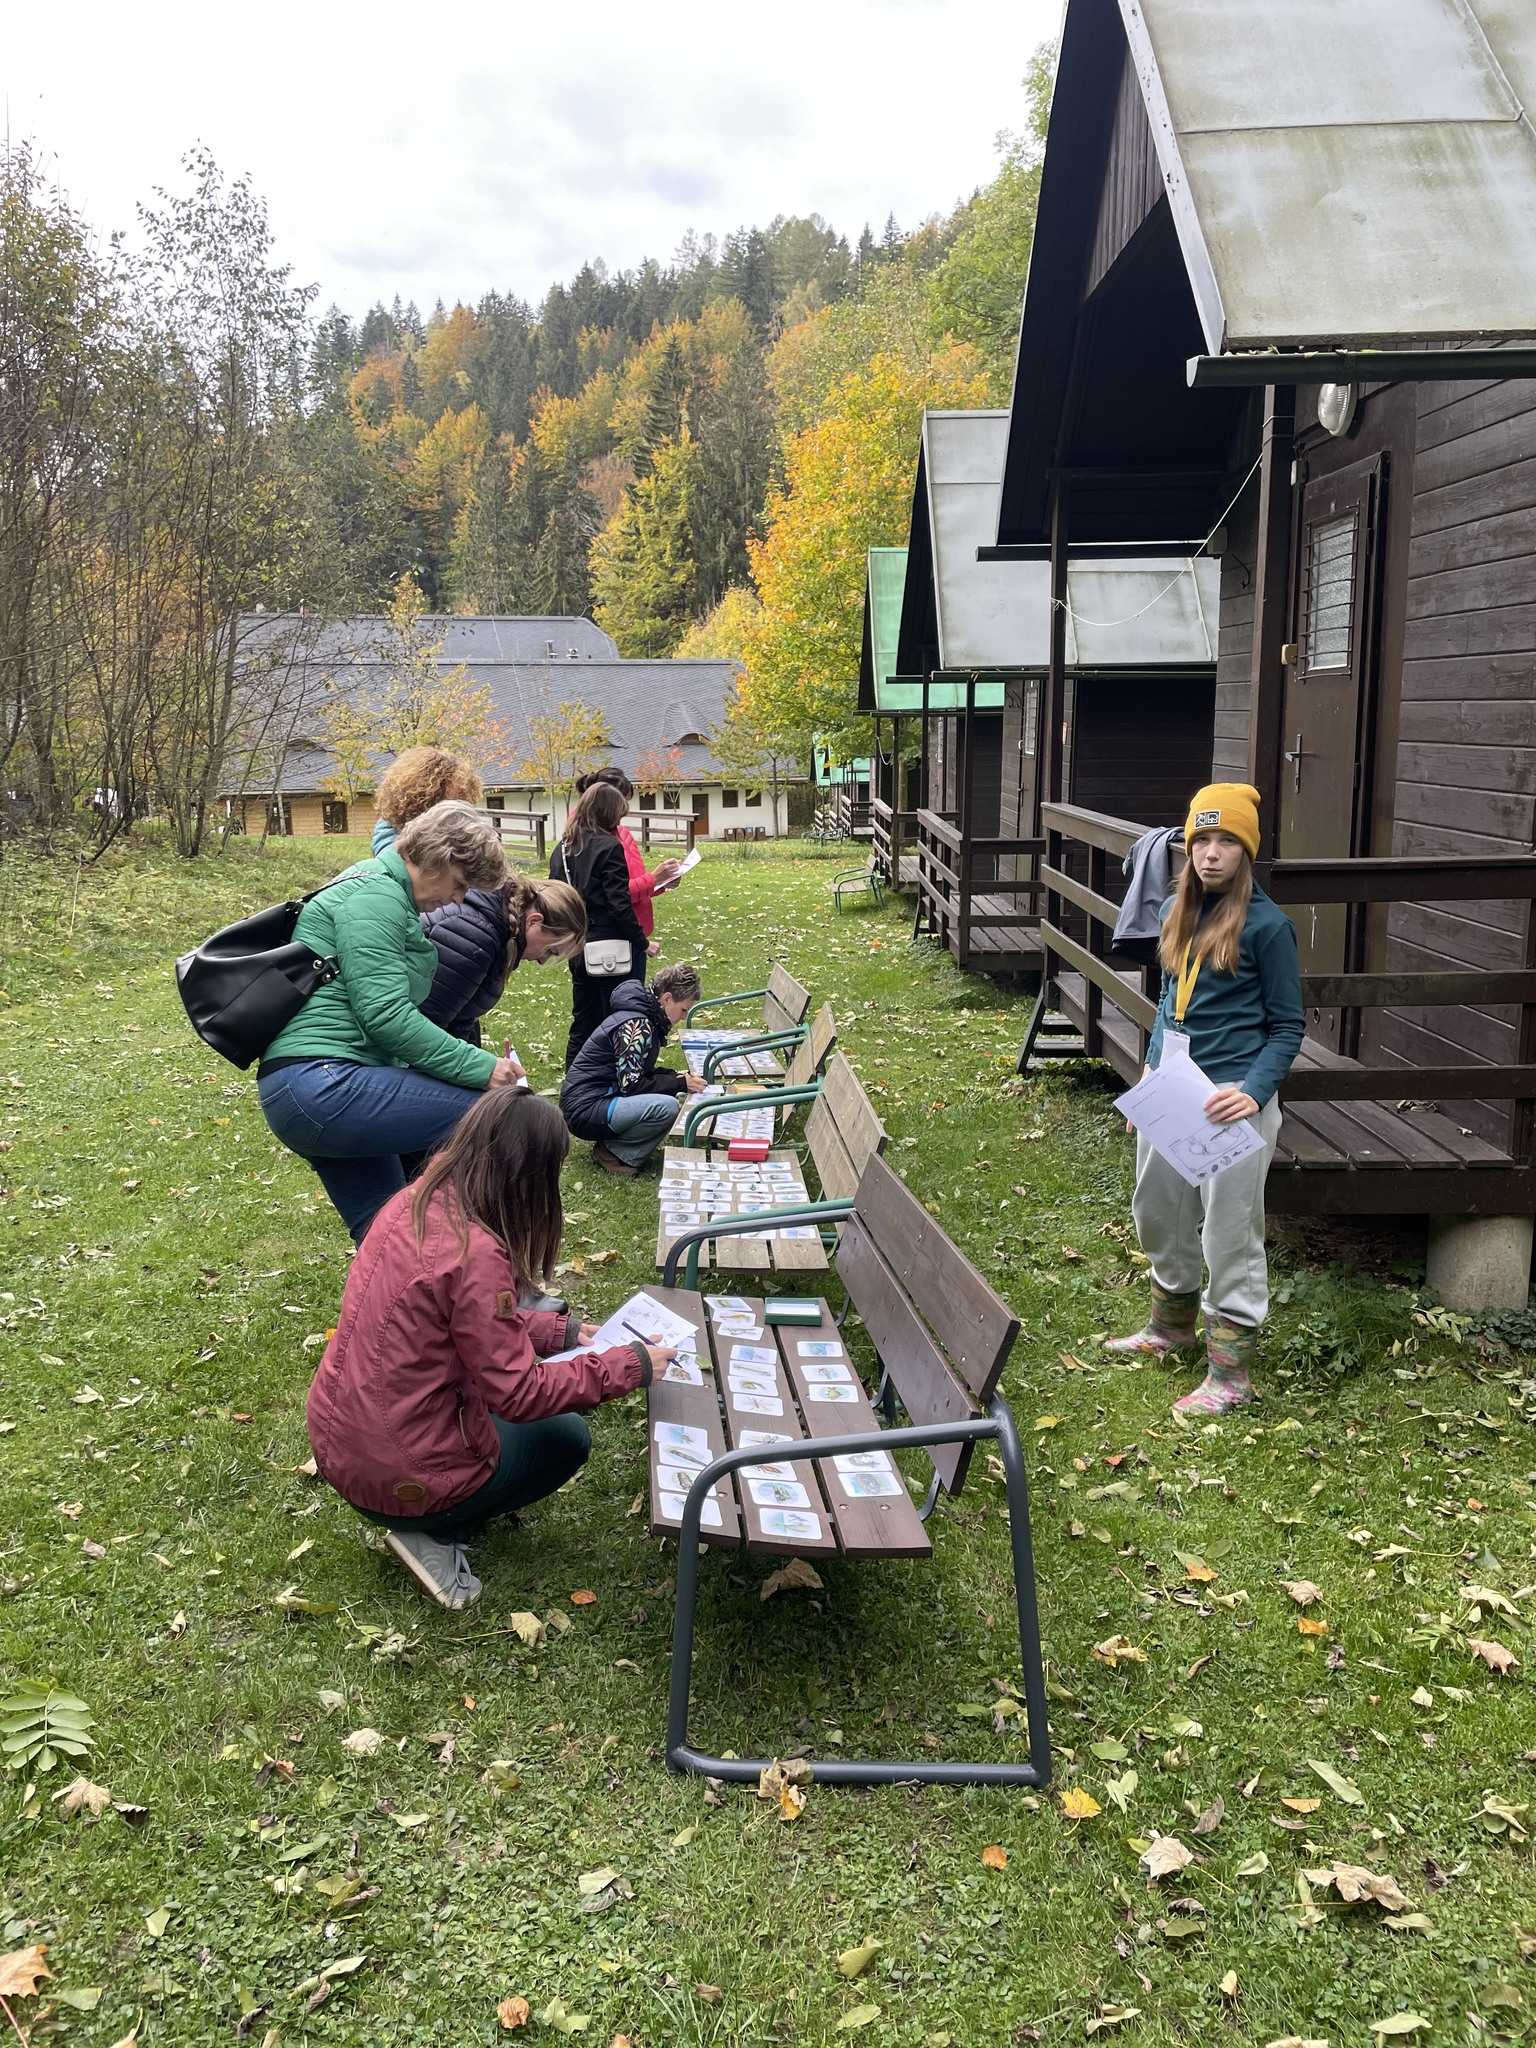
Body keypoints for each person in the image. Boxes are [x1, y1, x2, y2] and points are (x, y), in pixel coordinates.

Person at [305, 1090, 676, 1609]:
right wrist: (628, 1364)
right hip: (396, 1474)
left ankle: (426, 1510)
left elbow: (461, 1321)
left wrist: (560, 1335)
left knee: (525, 1423)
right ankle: (428, 1529)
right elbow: (519, 1393)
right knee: (564, 1439)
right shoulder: (474, 1251)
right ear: (529, 1176)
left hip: (343, 1444)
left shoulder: (416, 1199)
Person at [1104, 783, 1303, 1416]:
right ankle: (1171, 1325)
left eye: (1226, 842)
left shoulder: (1269, 928)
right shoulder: (1174, 913)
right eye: (1201, 841)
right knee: (1156, 1208)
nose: (1211, 855)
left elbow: (1288, 1027)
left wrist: (1253, 1091)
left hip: (1233, 1102)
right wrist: (1154, 1064)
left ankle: (1230, 1372)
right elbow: (1170, 1001)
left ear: (1247, 852)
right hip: (1174, 1091)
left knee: (1229, 1232)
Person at [257, 801, 523, 1244]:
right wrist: (482, 1068)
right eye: (461, 885)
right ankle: (492, 1251)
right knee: (501, 1116)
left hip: (312, 1085)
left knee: (386, 1234)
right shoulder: (375, 896)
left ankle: (410, 1302)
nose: (459, 899)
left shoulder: (381, 891)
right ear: (443, 858)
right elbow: (386, 1015)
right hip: (323, 1082)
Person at [561, 962, 705, 1176]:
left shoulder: (641, 1017)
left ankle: (614, 1146)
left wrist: (674, 1077)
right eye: (683, 1009)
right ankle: (614, 1154)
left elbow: (636, 1072)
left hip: (591, 1100)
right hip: (585, 1108)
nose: (683, 1017)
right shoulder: (637, 1025)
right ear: (666, 999)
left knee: (666, 1098)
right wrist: (679, 1083)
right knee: (667, 1107)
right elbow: (632, 1085)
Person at [419, 874, 588, 1045]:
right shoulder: (476, 939)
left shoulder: (494, 929)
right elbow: (426, 1029)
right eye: (550, 950)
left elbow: (458, 1019)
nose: (542, 961)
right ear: (534, 922)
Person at [551, 780, 650, 1069]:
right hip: (612, 945)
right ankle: (616, 1076)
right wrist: (641, 940)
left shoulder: (563, 849)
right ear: (609, 814)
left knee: (583, 1017)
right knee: (620, 1016)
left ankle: (575, 1079)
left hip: (578, 944)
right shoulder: (609, 848)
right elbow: (619, 904)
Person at [574, 768, 682, 964]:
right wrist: (654, 878)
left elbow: (633, 882)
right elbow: (615, 895)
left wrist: (662, 882)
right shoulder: (595, 844)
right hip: (614, 938)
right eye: (622, 802)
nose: (623, 811)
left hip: (632, 931)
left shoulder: (622, 834)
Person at [372, 747, 484, 855]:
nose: (458, 806)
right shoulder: (390, 834)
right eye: (452, 799)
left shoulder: (458, 832)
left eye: (462, 798)